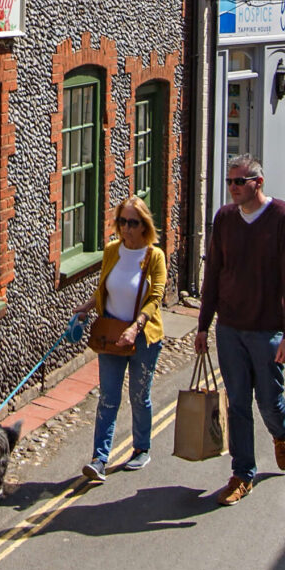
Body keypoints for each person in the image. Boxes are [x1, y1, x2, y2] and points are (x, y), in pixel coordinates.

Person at [194, 156, 285, 507]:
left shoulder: (284, 220)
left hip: (267, 329)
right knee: (237, 404)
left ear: (259, 182)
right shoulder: (225, 219)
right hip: (230, 330)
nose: (233, 187)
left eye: (240, 181)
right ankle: (243, 474)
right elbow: (213, 275)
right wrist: (203, 325)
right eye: (230, 181)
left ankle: (281, 433)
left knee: (269, 402)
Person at [80, 196, 167, 483]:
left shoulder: (154, 257)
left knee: (139, 396)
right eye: (122, 221)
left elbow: (155, 298)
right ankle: (99, 459)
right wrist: (86, 307)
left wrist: (136, 327)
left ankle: (141, 448)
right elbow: (106, 288)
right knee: (108, 398)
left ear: (144, 226)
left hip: (143, 339)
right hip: (111, 336)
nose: (126, 228)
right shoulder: (112, 251)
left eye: (132, 222)